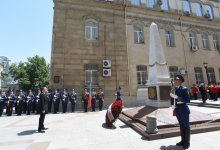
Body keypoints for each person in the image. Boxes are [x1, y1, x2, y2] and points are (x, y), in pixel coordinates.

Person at [170, 75, 191, 149]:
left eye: (177, 80)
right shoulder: (174, 89)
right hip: (177, 110)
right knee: (181, 126)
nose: (175, 81)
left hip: (184, 110)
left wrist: (178, 98)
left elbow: (188, 99)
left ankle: (187, 143)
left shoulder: (184, 89)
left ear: (180, 81)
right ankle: (182, 141)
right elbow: (172, 99)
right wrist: (172, 105)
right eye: (175, 80)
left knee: (186, 126)